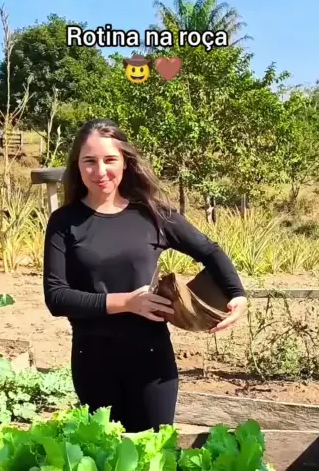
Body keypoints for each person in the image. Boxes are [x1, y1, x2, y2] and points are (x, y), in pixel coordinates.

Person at [43, 118, 247, 433]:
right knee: (106, 455)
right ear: (77, 166)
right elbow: (57, 297)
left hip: (152, 360)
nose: (100, 171)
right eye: (89, 161)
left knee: (154, 452)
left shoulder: (152, 214)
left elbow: (210, 251)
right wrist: (128, 303)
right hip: (93, 360)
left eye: (110, 160)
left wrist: (237, 294)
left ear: (125, 162)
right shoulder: (64, 222)